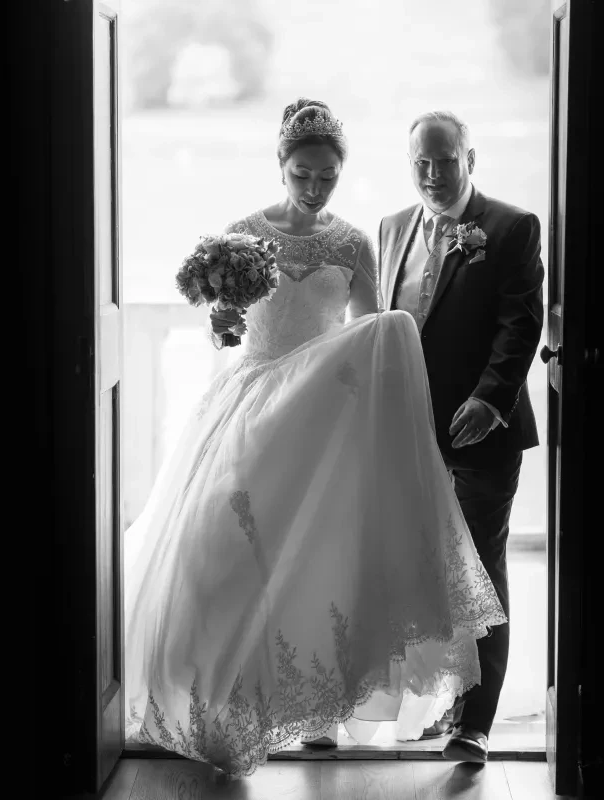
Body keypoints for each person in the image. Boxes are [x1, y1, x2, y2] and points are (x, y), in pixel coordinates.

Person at [122, 98, 506, 777]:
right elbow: (224, 326)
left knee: (321, 557)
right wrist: (223, 326)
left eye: (327, 175)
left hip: (320, 419)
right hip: (248, 408)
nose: (314, 186)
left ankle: (321, 710)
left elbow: (366, 331)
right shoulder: (243, 236)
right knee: (227, 555)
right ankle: (224, 703)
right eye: (303, 173)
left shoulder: (353, 243)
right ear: (281, 166)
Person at [377, 110, 545, 763]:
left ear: (469, 157)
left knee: (479, 569)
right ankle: (441, 700)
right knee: (423, 573)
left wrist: (489, 397)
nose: (432, 173)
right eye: (421, 161)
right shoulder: (392, 228)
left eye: (445, 160)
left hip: (484, 432)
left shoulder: (508, 227)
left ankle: (475, 723)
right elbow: (381, 326)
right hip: (408, 437)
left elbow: (518, 324)